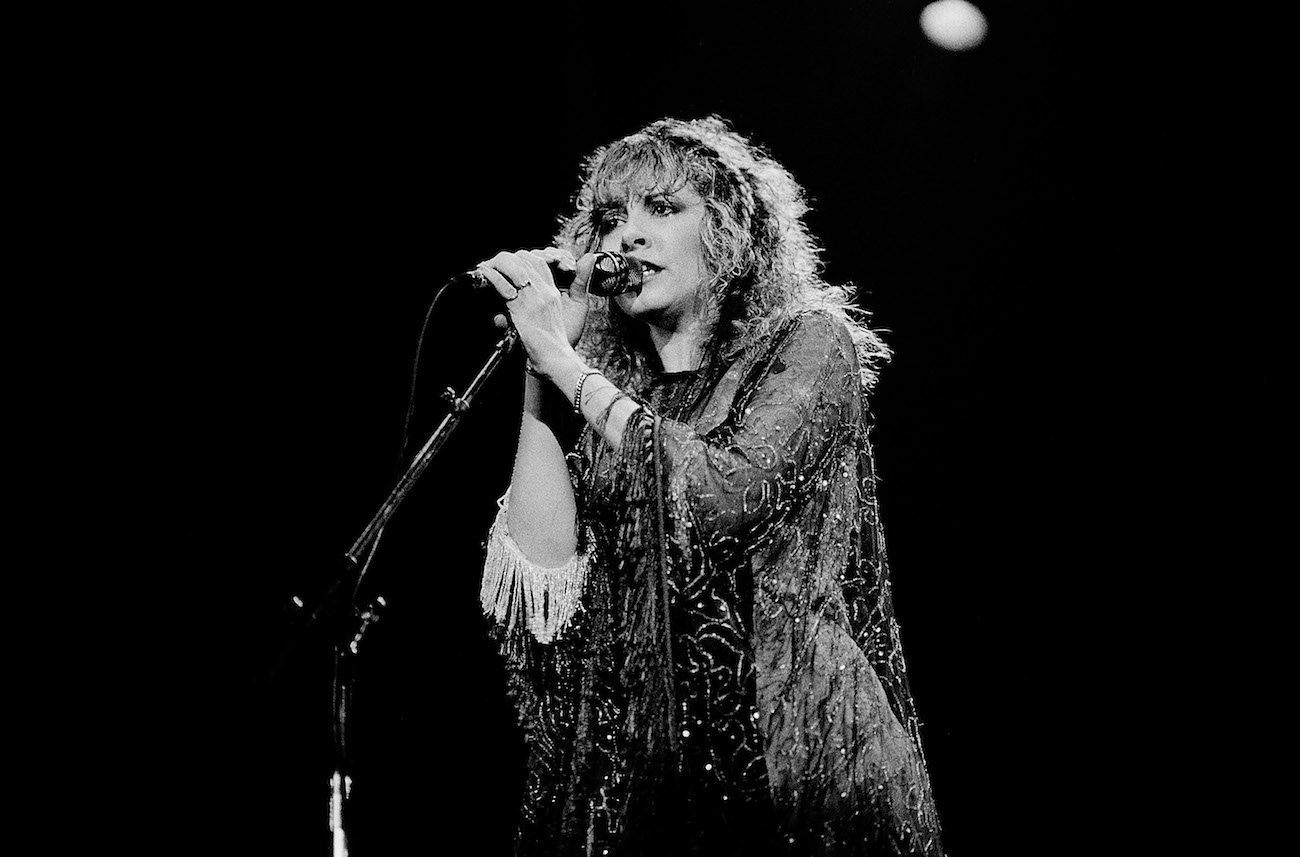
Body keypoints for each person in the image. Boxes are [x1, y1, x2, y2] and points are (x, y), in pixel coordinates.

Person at [475, 116, 944, 856]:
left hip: (798, 770)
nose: (625, 236)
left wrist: (571, 371)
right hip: (652, 788)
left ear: (729, 232)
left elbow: (722, 491)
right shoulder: (615, 402)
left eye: (661, 208)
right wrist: (543, 368)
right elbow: (545, 582)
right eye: (610, 218)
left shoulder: (810, 344)